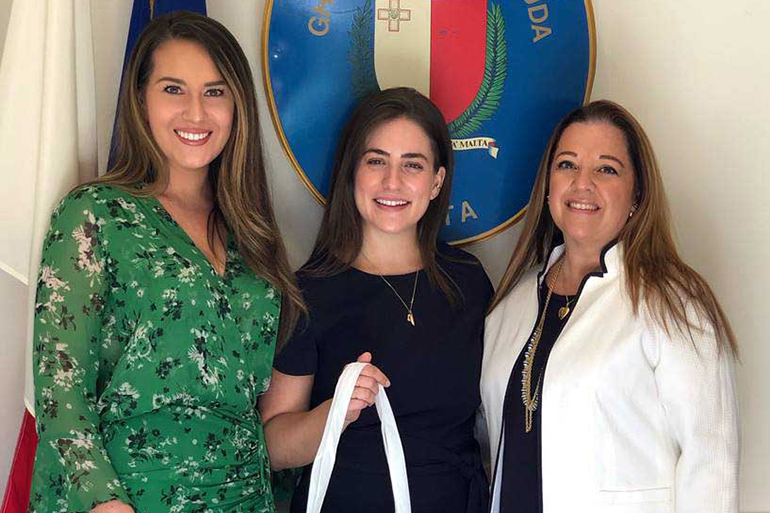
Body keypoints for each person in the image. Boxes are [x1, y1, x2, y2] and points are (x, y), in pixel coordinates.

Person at [28, 11, 304, 513]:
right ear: (141, 101)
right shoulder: (95, 213)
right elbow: (60, 390)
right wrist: (105, 504)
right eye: (173, 89)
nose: (196, 113)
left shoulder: (254, 234)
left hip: (245, 498)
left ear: (238, 103)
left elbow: (257, 402)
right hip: (130, 498)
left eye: (215, 91)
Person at [481, 100, 740, 512]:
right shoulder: (508, 306)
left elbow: (710, 464)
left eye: (606, 169)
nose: (582, 183)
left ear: (637, 192)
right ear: (548, 185)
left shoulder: (672, 303)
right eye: (567, 165)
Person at [259, 87, 493, 513]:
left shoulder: (471, 282)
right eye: (376, 160)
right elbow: (273, 445)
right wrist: (334, 413)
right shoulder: (309, 292)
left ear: (437, 181)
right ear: (352, 173)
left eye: (413, 165)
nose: (392, 181)